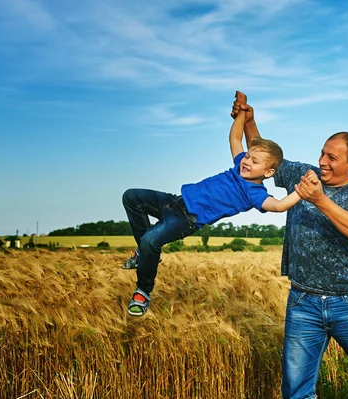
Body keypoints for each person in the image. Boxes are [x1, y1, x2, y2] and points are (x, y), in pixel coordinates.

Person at [231, 93, 348, 398]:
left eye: (331, 158)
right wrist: (249, 118)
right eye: (322, 154)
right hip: (303, 303)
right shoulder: (304, 174)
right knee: (296, 393)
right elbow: (262, 156)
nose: (322, 162)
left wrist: (320, 200)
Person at [121, 91, 316, 317]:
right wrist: (241, 114)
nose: (246, 161)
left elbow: (280, 205)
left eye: (254, 161)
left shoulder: (254, 192)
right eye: (247, 156)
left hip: (185, 220)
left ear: (269, 172)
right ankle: (143, 254)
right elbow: (235, 139)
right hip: (174, 201)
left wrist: (302, 191)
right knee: (131, 197)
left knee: (151, 240)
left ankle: (143, 291)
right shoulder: (238, 165)